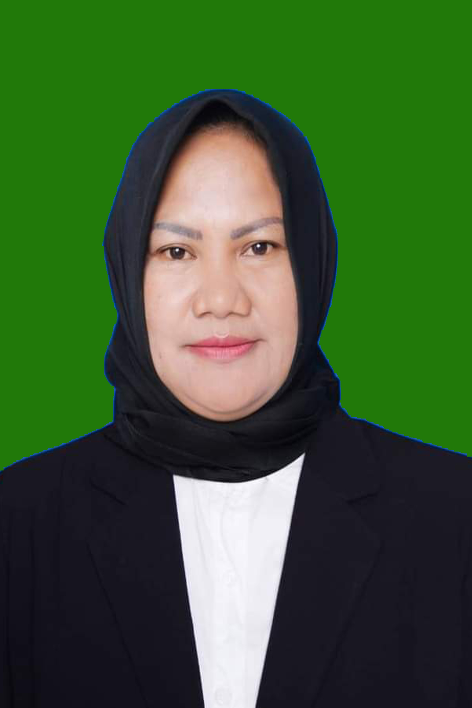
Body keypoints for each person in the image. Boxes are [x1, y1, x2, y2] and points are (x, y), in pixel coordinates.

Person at [0, 89, 471, 707]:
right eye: (176, 251)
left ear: (312, 263)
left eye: (259, 247)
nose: (221, 299)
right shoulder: (18, 527)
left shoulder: (454, 518)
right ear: (128, 272)